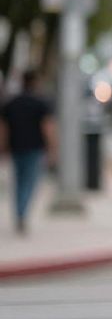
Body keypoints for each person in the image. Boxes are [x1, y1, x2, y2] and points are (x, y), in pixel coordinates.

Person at [0, 70, 57, 236]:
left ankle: (19, 213)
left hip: (16, 147)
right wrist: (53, 148)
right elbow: (47, 127)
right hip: (34, 149)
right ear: (35, 82)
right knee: (30, 183)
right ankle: (22, 214)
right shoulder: (41, 103)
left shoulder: (11, 103)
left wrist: (3, 147)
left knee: (18, 182)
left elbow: (3, 129)